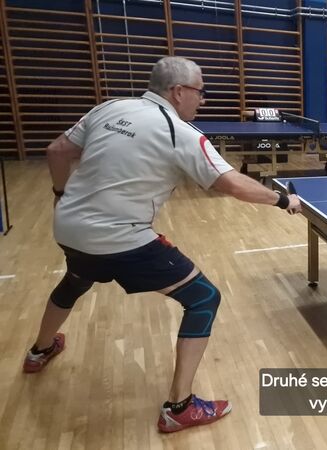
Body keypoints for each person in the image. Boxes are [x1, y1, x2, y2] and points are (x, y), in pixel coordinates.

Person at [22, 56, 301, 433]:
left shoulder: (109, 108)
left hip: (68, 227)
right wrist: (283, 200)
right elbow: (233, 184)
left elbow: (57, 151)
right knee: (204, 298)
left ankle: (39, 351)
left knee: (76, 279)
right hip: (122, 237)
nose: (203, 100)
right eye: (200, 92)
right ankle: (179, 407)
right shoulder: (180, 132)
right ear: (179, 91)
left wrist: (60, 194)